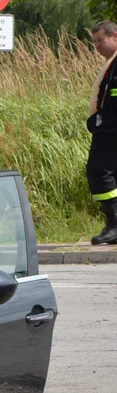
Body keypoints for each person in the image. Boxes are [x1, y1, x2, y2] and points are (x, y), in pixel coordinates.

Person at [87, 21, 117, 244]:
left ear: (114, 36)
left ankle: (114, 224)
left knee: (99, 170)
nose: (96, 45)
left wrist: (107, 123)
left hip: (111, 130)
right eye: (94, 41)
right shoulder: (112, 63)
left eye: (100, 40)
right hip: (107, 128)